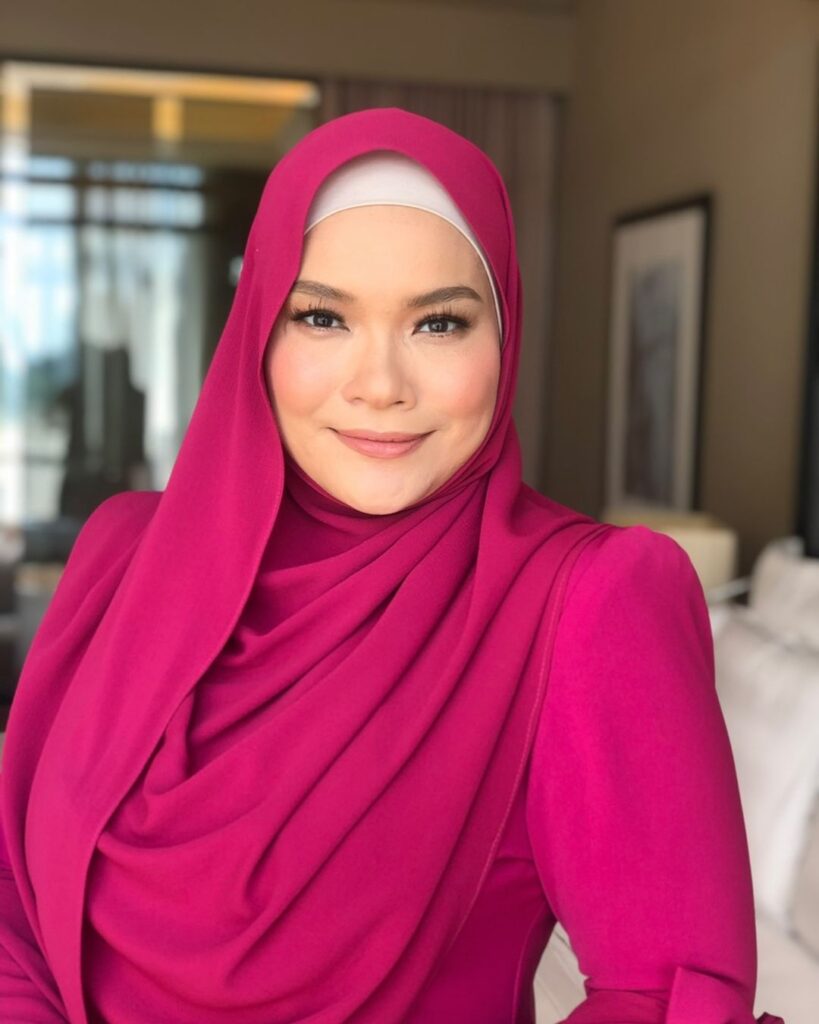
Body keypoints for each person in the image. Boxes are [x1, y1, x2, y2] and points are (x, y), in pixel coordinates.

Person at [0, 107, 784, 1024]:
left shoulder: (587, 600)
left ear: (503, 338)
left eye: (438, 324)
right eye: (322, 316)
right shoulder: (123, 555)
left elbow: (665, 993)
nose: (379, 385)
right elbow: (13, 893)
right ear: (259, 330)